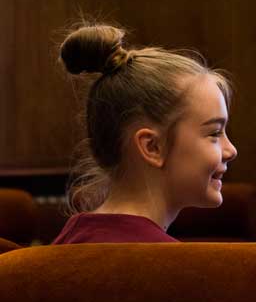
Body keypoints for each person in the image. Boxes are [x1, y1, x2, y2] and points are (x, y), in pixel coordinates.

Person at [52, 24, 237, 244]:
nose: (231, 150)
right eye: (214, 133)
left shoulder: (70, 240)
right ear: (152, 147)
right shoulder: (169, 261)